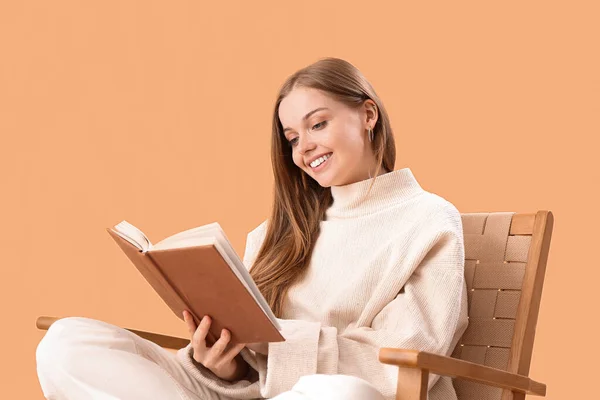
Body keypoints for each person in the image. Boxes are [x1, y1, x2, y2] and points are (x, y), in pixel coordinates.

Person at [36, 57, 468, 400]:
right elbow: (247, 371)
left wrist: (275, 345)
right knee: (69, 340)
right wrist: (227, 365)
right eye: (292, 138)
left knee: (336, 393)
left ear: (368, 115)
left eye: (318, 124)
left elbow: (407, 361)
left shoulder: (428, 220)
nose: (305, 147)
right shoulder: (275, 232)